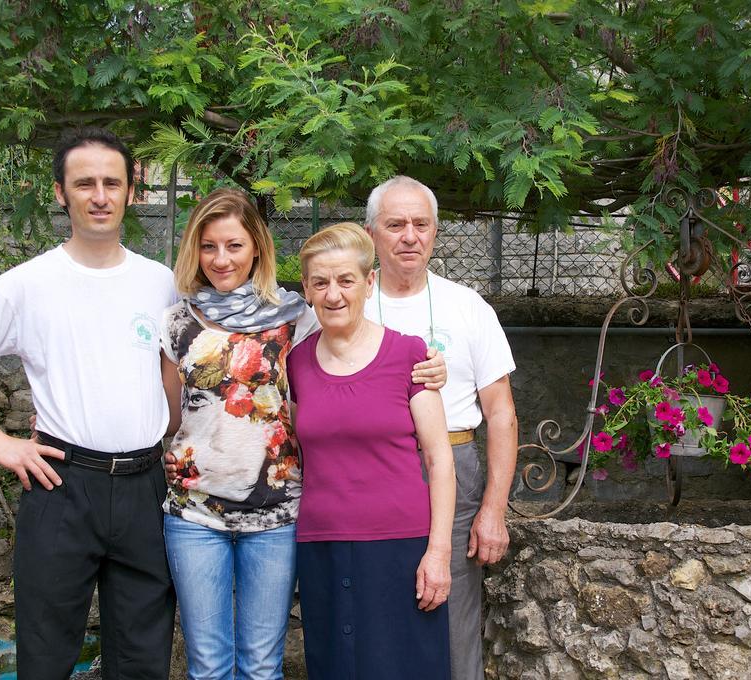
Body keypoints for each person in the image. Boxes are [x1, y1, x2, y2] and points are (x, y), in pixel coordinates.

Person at [0, 128, 178, 679]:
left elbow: (170, 375)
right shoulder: (25, 285)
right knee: (46, 654)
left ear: (134, 192)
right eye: (85, 184)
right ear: (60, 192)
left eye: (112, 182)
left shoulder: (162, 284)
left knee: (143, 659)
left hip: (145, 487)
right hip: (61, 485)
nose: (99, 195)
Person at [162, 194, 447, 680]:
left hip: (277, 512)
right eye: (208, 246)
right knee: (207, 665)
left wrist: (428, 365)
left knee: (262, 663)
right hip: (195, 511)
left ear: (257, 248)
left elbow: (354, 334)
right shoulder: (176, 322)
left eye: (235, 244)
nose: (222, 258)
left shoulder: (293, 320)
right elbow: (168, 421)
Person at [364, 176, 518, 680]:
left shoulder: (468, 306)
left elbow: (501, 414)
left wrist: (494, 508)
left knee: (451, 611)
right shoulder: (347, 301)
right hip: (372, 471)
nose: (409, 235)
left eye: (421, 224)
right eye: (395, 224)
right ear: (372, 234)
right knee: (378, 614)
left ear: (434, 232)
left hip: (455, 469)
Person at [287, 222, 455, 679]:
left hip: (400, 547)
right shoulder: (296, 362)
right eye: (320, 282)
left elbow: (440, 460)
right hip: (322, 544)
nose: (334, 294)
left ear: (369, 282)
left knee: (407, 666)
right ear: (306, 289)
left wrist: (438, 553)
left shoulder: (409, 355)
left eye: (345, 280)